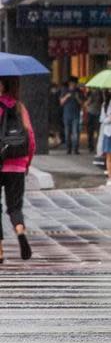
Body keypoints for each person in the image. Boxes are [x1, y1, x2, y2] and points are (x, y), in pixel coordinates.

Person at [0, 77, 35, 263]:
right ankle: (20, 230)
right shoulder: (20, 107)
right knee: (15, 206)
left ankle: (0, 252)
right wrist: (26, 163)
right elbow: (30, 138)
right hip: (17, 165)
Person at [59, 76, 83, 155]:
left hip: (76, 115)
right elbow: (61, 102)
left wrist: (77, 98)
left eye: (74, 83)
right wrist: (66, 96)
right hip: (67, 115)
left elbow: (82, 103)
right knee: (67, 132)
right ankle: (68, 149)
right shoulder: (64, 91)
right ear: (69, 83)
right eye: (72, 83)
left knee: (75, 132)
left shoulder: (78, 91)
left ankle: (75, 149)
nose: (73, 85)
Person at [85, 89, 103, 153]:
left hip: (98, 113)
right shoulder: (89, 93)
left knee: (98, 131)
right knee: (90, 131)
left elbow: (102, 103)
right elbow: (86, 103)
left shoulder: (101, 93)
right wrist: (90, 98)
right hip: (91, 113)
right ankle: (90, 146)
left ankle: (97, 146)